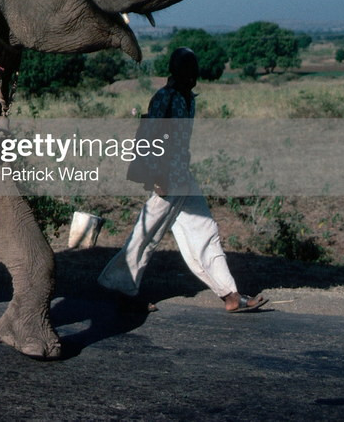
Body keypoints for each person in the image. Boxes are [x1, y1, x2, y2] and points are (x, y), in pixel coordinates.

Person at [99, 48, 268, 314]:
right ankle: (120, 287)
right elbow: (149, 140)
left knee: (205, 231)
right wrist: (156, 178)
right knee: (146, 236)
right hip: (166, 180)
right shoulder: (164, 98)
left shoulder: (189, 99)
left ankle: (230, 295)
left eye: (194, 69)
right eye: (188, 69)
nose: (193, 75)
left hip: (182, 178)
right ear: (177, 71)